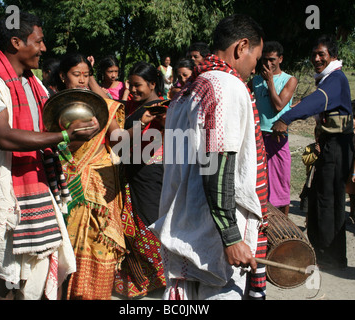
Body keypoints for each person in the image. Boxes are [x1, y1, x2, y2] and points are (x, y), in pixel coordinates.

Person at [0, 11, 100, 300]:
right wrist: (65, 135)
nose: (44, 48)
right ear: (16, 42)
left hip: (39, 187)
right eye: (39, 41)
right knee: (8, 278)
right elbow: (4, 136)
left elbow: (49, 137)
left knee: (45, 267)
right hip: (5, 196)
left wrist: (81, 129)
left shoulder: (34, 84)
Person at [150, 14, 267, 300]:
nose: (254, 69)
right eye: (256, 58)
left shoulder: (186, 92)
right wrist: (231, 237)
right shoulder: (225, 86)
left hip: (188, 227)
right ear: (241, 47)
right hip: (215, 240)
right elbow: (216, 164)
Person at [272, 35, 353, 269]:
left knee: (329, 198)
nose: (316, 59)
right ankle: (322, 249)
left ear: (333, 56)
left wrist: (286, 118)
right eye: (314, 54)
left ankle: (330, 255)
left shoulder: (335, 79)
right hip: (329, 145)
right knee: (320, 196)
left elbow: (317, 101)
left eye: (322, 54)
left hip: (337, 146)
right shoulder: (328, 79)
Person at [53, 52, 127, 300]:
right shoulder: (53, 109)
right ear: (64, 77)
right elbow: (50, 147)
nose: (82, 80)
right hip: (68, 189)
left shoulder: (104, 107)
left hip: (100, 193)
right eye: (76, 75)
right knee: (66, 253)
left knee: (101, 251)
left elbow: (119, 144)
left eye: (86, 75)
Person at [114, 61, 167, 298]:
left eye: (138, 85)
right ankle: (141, 277)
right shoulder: (134, 108)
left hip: (151, 172)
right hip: (133, 171)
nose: (132, 90)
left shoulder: (163, 108)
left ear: (153, 84)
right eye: (130, 85)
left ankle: (159, 276)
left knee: (149, 223)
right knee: (134, 227)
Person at [250, 41, 298, 216]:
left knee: (281, 185)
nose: (268, 64)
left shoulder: (289, 80)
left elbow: (278, 106)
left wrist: (270, 81)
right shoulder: (255, 80)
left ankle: (285, 226)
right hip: (259, 137)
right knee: (260, 183)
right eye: (264, 60)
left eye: (272, 60)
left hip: (278, 138)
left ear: (281, 59)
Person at [299, 125, 321, 214]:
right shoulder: (310, 148)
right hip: (311, 182)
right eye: (317, 136)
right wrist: (315, 154)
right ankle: (308, 223)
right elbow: (305, 160)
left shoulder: (328, 149)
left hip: (322, 182)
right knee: (308, 207)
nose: (318, 139)